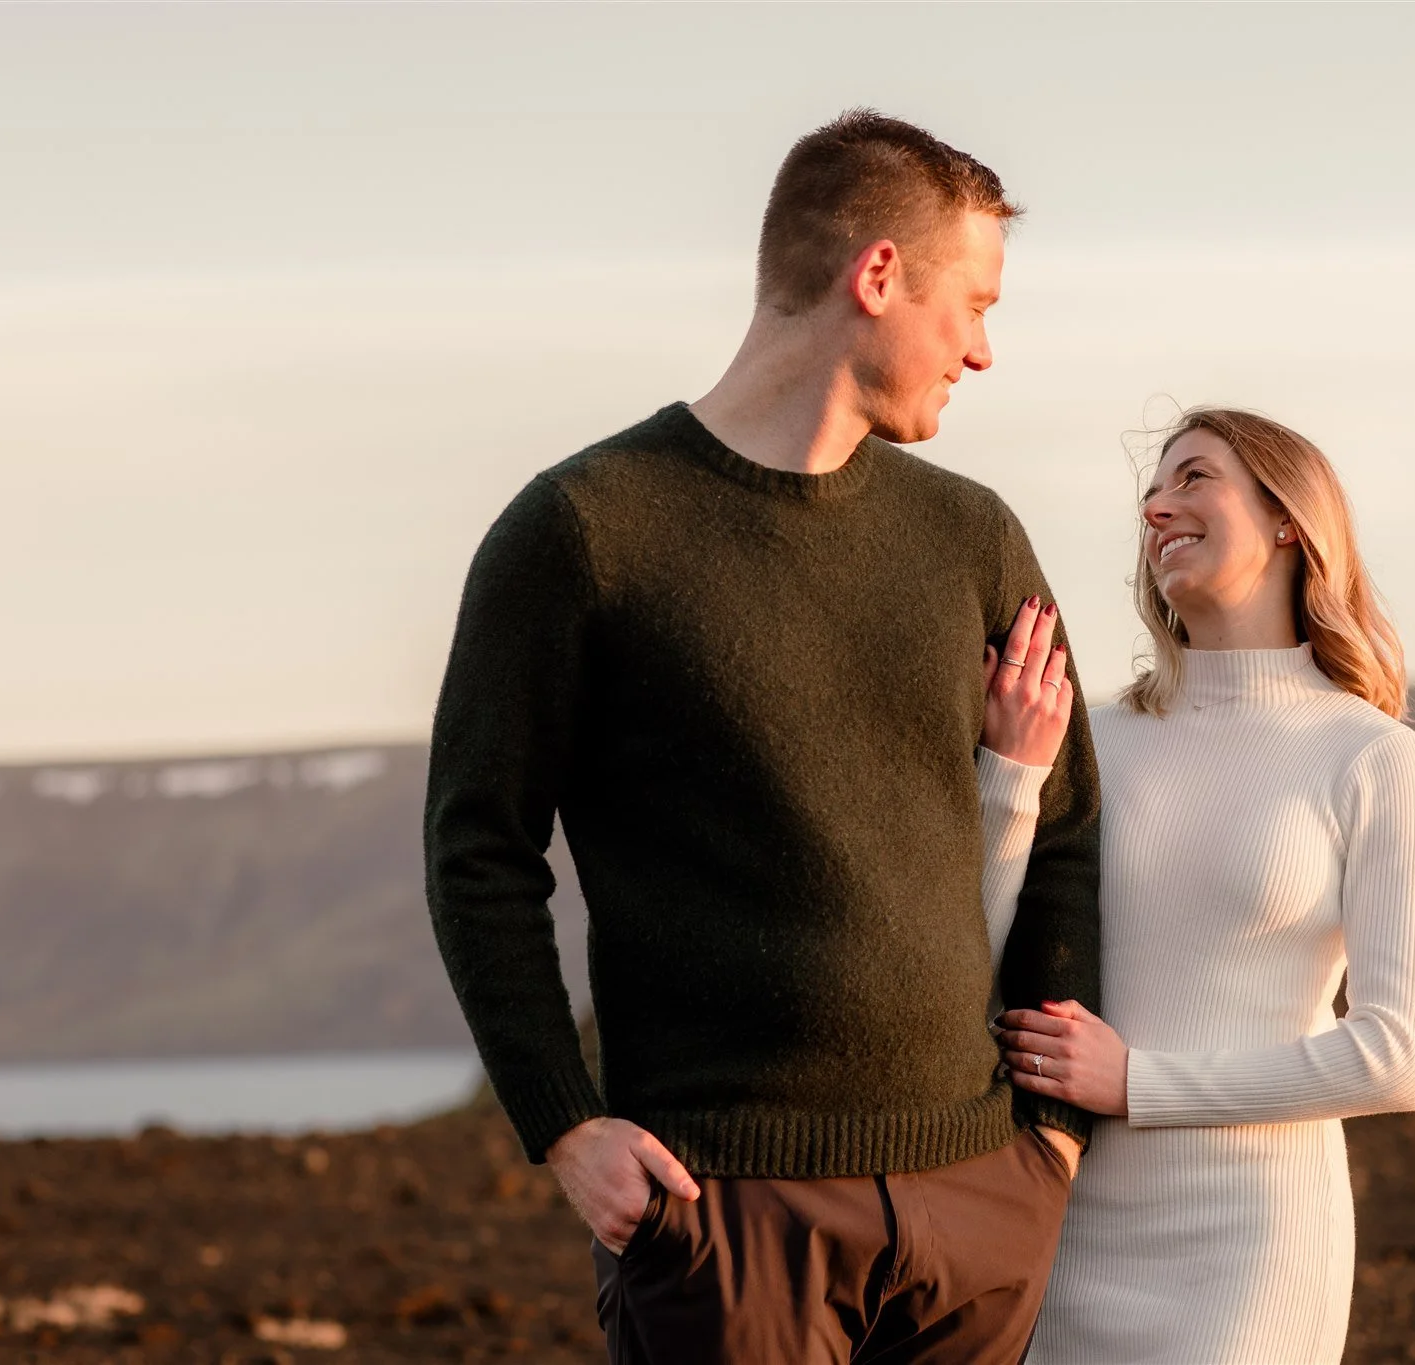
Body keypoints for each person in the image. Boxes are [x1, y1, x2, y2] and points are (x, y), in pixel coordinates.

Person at [422, 110, 1101, 1364]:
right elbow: (478, 849)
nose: (986, 351)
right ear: (878, 276)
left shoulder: (972, 533)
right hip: (725, 1216)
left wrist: (1045, 1142)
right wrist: (562, 1122)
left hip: (975, 1209)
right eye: (973, 304)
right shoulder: (581, 531)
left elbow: (1062, 829)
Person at [977, 407, 1415, 1363]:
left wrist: (1138, 1081)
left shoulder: (1371, 757)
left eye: (1194, 478)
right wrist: (1012, 779)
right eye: (1152, 492)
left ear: (1290, 518)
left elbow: (1400, 1056)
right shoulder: (1093, 743)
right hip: (1064, 1222)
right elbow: (974, 960)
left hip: (1252, 1250)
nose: (1157, 507)